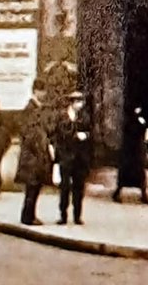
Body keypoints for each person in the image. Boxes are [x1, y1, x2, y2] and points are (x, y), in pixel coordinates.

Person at [16, 83, 54, 226]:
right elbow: (30, 134)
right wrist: (41, 148)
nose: (43, 94)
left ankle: (30, 215)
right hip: (32, 156)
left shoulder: (38, 108)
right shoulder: (31, 109)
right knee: (32, 188)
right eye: (41, 91)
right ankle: (28, 217)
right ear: (35, 91)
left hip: (36, 155)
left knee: (35, 187)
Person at [53, 89, 93, 226]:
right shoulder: (63, 116)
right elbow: (61, 134)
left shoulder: (84, 116)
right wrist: (76, 135)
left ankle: (77, 216)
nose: (80, 105)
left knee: (78, 188)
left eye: (81, 102)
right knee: (64, 188)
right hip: (66, 157)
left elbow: (90, 131)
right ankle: (63, 215)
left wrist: (86, 135)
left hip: (80, 159)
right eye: (78, 102)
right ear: (72, 102)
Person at [112, 104, 148, 204]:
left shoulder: (138, 119)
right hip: (129, 151)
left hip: (137, 150)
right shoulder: (129, 121)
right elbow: (132, 130)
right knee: (125, 173)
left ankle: (143, 194)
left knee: (140, 174)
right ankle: (117, 193)